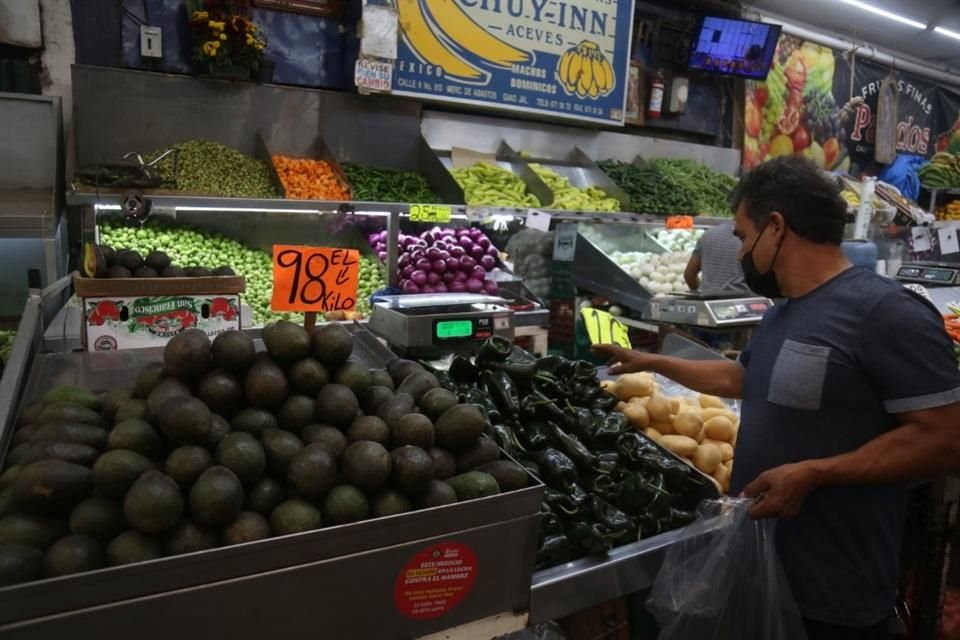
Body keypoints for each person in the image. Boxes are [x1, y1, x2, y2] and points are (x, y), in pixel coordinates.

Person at [594, 155, 960, 639]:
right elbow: (743, 379)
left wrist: (815, 474)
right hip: (765, 574)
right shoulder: (783, 314)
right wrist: (655, 363)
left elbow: (945, 438)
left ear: (776, 227)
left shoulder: (884, 313)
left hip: (836, 589)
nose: (742, 251)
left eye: (743, 237)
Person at [683, 220, 750, 293]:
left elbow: (689, 275)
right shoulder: (753, 237)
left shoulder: (709, 234)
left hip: (708, 299)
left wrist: (701, 294)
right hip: (742, 300)